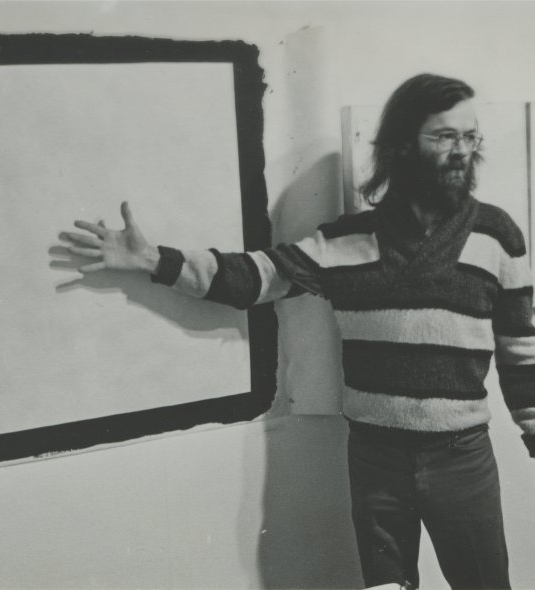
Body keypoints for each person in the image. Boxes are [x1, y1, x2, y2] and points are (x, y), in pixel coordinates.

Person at [60, 73, 535, 590]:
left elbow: (523, 351)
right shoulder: (346, 242)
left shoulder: (497, 234)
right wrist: (152, 260)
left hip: (461, 458)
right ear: (401, 146)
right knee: (385, 586)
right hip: (376, 459)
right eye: (444, 136)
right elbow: (251, 278)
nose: (462, 151)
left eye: (471, 136)